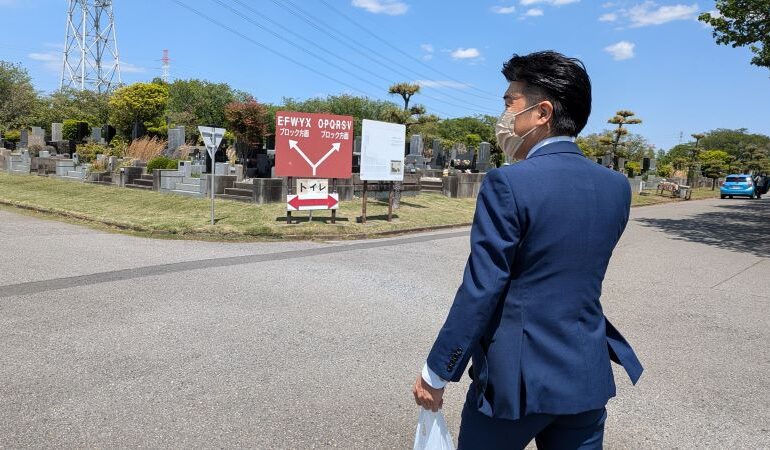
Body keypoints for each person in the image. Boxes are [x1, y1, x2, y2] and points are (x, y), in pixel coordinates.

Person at [412, 51, 643, 449]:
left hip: (514, 382)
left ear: (542, 112)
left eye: (510, 102)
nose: (504, 114)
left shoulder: (508, 183)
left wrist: (437, 371)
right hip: (585, 372)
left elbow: (482, 288)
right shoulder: (616, 187)